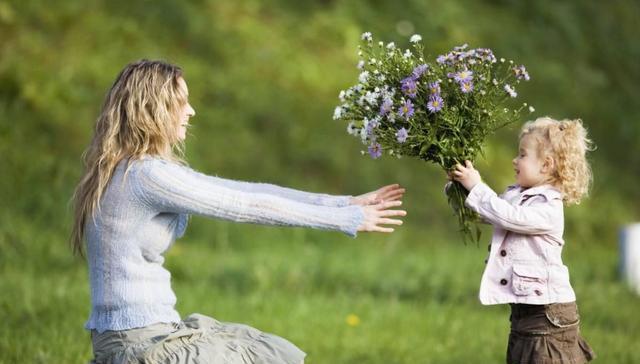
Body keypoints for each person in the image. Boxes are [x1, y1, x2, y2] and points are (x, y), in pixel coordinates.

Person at [70, 59, 406, 364]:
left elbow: (245, 191)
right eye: (182, 102)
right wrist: (345, 220)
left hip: (144, 336)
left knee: (270, 353)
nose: (191, 111)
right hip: (142, 345)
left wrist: (343, 204)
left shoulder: (132, 169)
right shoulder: (147, 176)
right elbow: (244, 206)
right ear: (153, 108)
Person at [450, 116, 596, 363]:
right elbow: (487, 212)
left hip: (549, 316)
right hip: (527, 313)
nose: (514, 160)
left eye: (522, 155)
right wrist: (459, 188)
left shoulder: (548, 206)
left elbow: (508, 216)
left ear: (546, 165)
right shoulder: (516, 194)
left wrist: (476, 187)